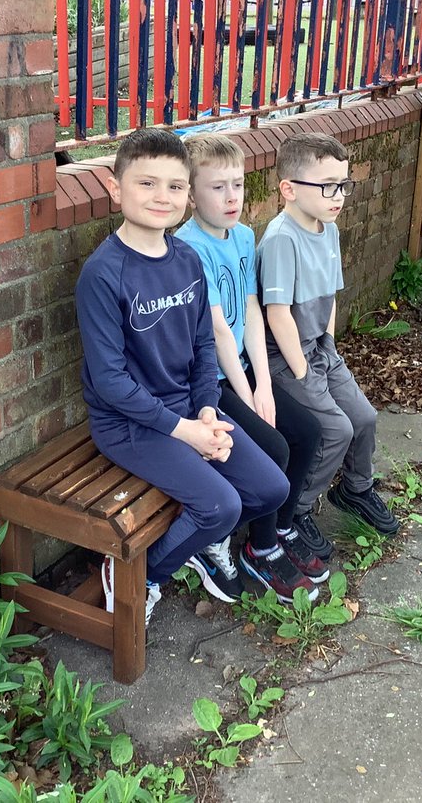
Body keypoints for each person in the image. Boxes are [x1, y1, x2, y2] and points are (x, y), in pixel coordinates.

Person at [76, 128, 289, 626]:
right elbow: (110, 382)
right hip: (128, 424)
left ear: (187, 194)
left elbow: (201, 349)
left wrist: (207, 411)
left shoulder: (187, 259)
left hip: (189, 411)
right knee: (218, 505)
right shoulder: (103, 274)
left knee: (271, 489)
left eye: (174, 186)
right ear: (116, 188)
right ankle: (143, 574)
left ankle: (192, 543)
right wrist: (187, 432)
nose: (161, 197)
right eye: (146, 183)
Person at [174, 134, 326, 604]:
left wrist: (264, 383)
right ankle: (259, 551)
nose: (231, 197)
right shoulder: (188, 247)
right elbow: (218, 331)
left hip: (243, 370)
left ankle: (280, 529)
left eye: (237, 184)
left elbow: (252, 308)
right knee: (275, 446)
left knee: (310, 432)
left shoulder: (242, 236)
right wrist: (247, 395)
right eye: (217, 187)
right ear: (192, 195)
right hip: (211, 383)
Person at [257, 132, 399, 540]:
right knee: (334, 430)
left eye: (343, 185)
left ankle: (355, 489)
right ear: (289, 189)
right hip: (286, 359)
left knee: (364, 418)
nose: (338, 196)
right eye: (327, 186)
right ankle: (296, 512)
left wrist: (330, 346)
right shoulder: (282, 239)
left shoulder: (329, 229)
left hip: (319, 348)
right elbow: (278, 314)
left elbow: (331, 295)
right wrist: (303, 371)